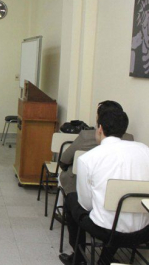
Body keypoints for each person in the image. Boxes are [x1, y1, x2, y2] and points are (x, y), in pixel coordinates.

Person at [59, 108, 149, 265]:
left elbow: (86, 204)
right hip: (142, 231)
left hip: (105, 231)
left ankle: (78, 257)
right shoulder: (145, 150)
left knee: (71, 198)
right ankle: (104, 259)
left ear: (99, 128)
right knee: (116, 211)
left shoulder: (88, 158)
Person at [59, 101, 134, 195]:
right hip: (118, 187)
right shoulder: (129, 139)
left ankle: (63, 207)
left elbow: (64, 160)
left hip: (79, 185)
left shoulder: (86, 136)